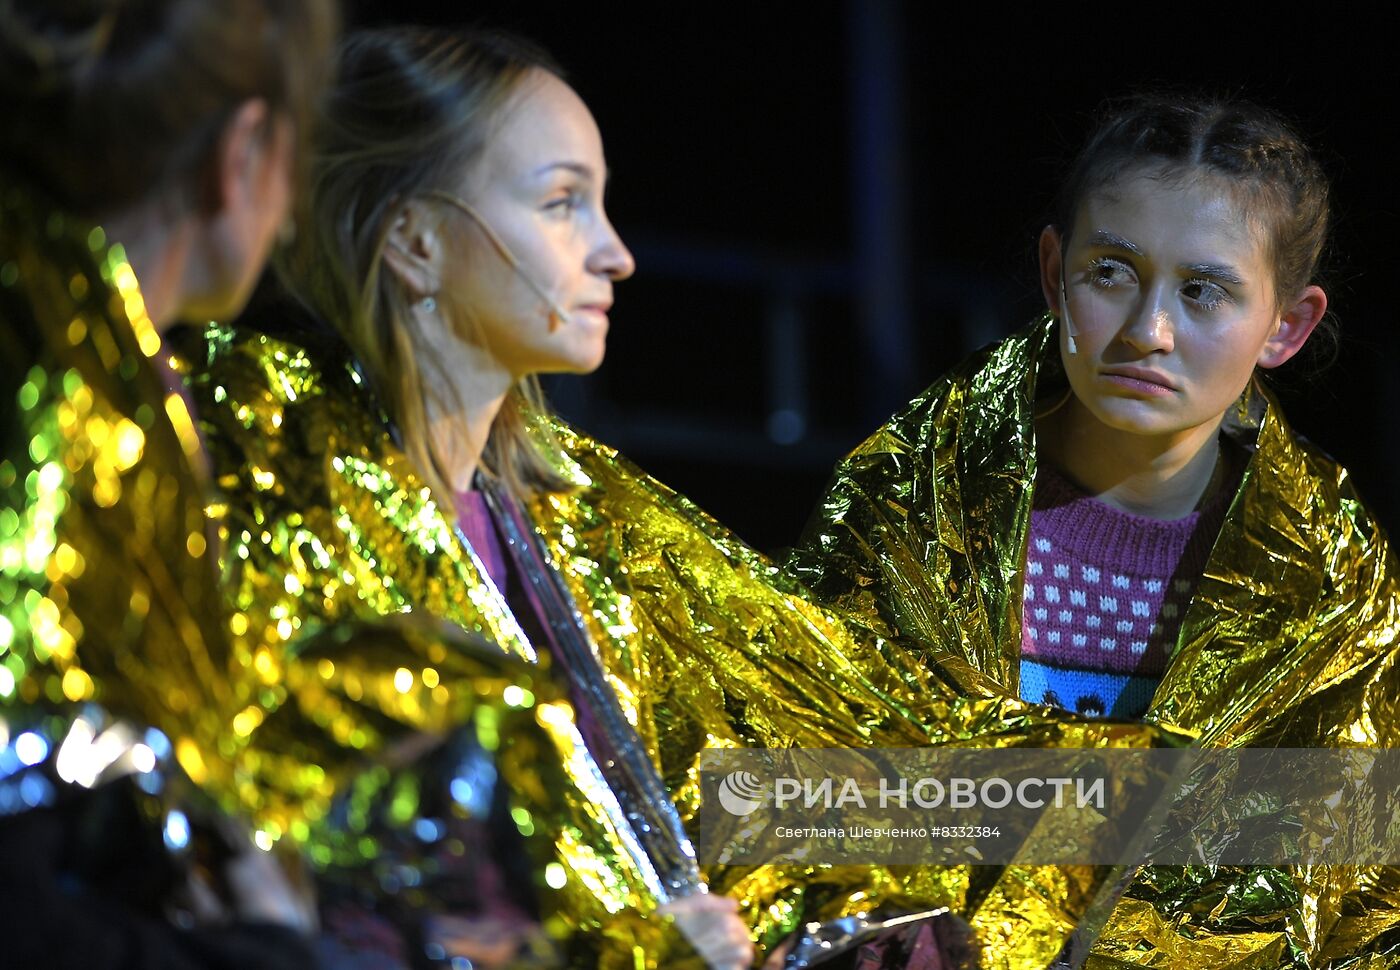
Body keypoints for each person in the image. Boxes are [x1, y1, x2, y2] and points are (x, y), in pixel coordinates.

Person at [184, 25, 1191, 970]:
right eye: (560, 202)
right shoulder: (269, 502)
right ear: (412, 242)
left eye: (601, 203)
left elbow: (841, 758)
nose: (613, 252)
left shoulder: (580, 522)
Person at [789, 93, 1400, 967]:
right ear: (1053, 271)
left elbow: (1368, 904)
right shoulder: (909, 512)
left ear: (1286, 326)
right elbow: (786, 798)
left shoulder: (1332, 592)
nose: (1149, 332)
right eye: (1111, 272)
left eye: (1203, 292)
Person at [0, 0, 339, 966]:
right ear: (242, 156)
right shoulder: (66, 415)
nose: (616, 254)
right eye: (564, 200)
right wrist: (272, 950)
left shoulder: (98, 371)